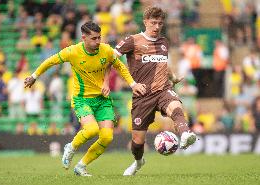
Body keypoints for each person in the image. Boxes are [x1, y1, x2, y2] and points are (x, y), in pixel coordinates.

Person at [24, 21, 146, 176]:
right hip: (82, 99)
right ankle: (71, 147)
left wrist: (132, 84)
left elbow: (119, 66)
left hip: (102, 100)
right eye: (94, 38)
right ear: (84, 38)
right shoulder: (73, 52)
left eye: (99, 38)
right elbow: (50, 61)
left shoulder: (106, 50)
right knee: (92, 129)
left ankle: (81, 166)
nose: (97, 42)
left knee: (107, 137)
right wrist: (34, 76)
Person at [112, 7, 197, 176]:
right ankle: (138, 162)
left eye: (160, 23)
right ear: (145, 22)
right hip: (142, 96)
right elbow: (111, 59)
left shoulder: (164, 42)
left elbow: (162, 64)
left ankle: (186, 134)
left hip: (162, 89)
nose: (157, 26)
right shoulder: (132, 40)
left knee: (175, 106)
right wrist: (131, 83)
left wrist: (172, 77)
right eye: (153, 23)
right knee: (137, 142)